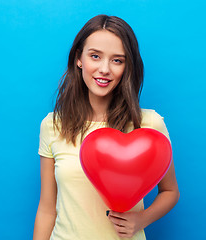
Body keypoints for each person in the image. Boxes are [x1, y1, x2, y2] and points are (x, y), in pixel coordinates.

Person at [33, 14, 180, 240]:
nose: (104, 69)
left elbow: (170, 192)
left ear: (127, 67)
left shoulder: (149, 124)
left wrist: (141, 220)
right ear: (78, 59)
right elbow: (46, 208)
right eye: (95, 56)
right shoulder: (53, 125)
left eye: (117, 60)